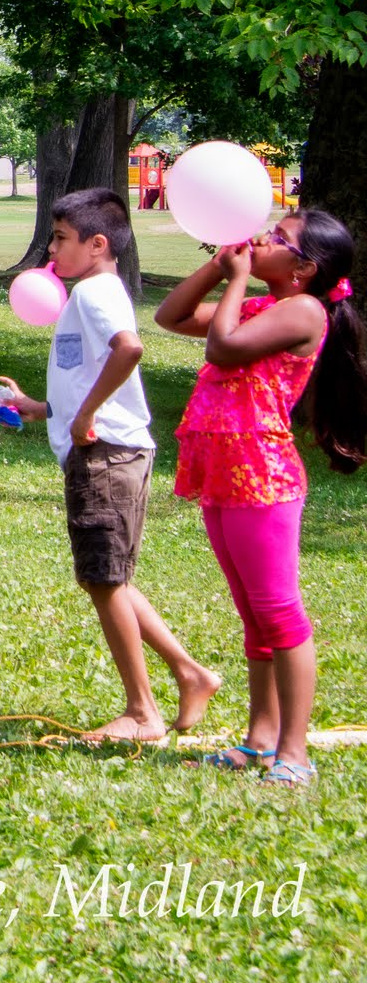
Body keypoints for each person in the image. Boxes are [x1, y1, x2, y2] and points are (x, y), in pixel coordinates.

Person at [0, 188, 219, 741]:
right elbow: (90, 373)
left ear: (97, 244)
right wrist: (40, 407)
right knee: (108, 579)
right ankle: (190, 674)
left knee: (104, 581)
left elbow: (129, 349)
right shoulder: (93, 293)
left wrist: (85, 416)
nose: (52, 249)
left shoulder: (96, 292)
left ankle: (143, 712)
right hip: (107, 450)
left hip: (106, 454)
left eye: (61, 239)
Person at [154, 210, 365, 786]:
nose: (263, 238)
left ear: (304, 269)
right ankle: (260, 740)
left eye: (279, 238)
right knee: (253, 614)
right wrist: (218, 267)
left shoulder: (304, 310)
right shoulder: (259, 306)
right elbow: (170, 316)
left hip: (263, 478)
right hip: (224, 473)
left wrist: (238, 276)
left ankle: (294, 752)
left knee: (278, 610)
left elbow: (222, 350)